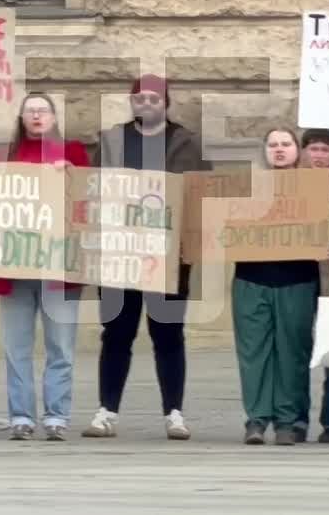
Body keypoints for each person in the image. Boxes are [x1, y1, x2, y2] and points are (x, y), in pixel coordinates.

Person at [83, 75, 207, 441]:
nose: (147, 103)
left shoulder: (186, 143)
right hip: (119, 257)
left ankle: (174, 413)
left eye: (155, 98)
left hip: (168, 260)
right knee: (116, 335)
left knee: (168, 336)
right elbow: (88, 189)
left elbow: (202, 196)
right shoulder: (111, 140)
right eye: (140, 97)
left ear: (166, 102)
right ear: (132, 102)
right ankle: (107, 411)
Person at [0, 92, 89, 441]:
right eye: (30, 111)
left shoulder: (73, 152)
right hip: (14, 269)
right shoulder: (5, 157)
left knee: (60, 346)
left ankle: (56, 416)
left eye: (42, 111)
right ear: (21, 118)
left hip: (58, 268)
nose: (36, 116)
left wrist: (72, 174)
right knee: (16, 347)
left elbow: (89, 199)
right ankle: (21, 416)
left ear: (53, 118)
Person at [233, 127, 318, 446]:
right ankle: (256, 419)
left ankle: (287, 419)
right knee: (253, 353)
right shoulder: (246, 187)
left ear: (298, 150)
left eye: (286, 144)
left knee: (292, 351)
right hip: (251, 279)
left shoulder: (316, 187)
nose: (279, 150)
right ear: (264, 151)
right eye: (272, 145)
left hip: (297, 280)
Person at [300, 128, 329, 443]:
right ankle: (296, 417)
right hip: (299, 275)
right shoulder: (291, 184)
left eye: (325, 150)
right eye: (314, 149)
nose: (319, 155)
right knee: (296, 349)